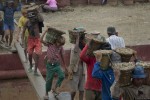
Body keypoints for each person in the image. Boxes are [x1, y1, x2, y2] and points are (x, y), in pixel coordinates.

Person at [40, 28, 68, 100]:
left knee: (62, 76)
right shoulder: (50, 44)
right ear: (56, 41)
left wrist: (65, 65)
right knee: (49, 80)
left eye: (61, 44)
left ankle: (54, 89)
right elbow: (41, 40)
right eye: (59, 43)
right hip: (50, 65)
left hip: (57, 64)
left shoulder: (60, 47)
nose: (59, 45)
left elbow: (62, 56)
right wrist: (46, 31)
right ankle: (46, 93)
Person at [22, 8, 42, 76]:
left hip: (37, 39)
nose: (32, 19)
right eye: (30, 18)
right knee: (30, 54)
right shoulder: (27, 22)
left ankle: (35, 70)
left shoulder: (37, 20)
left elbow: (42, 19)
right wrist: (23, 42)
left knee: (37, 55)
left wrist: (37, 12)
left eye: (33, 18)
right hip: (30, 39)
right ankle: (31, 66)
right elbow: (23, 32)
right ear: (29, 18)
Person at [68, 32, 86, 100]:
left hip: (83, 70)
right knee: (73, 90)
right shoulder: (74, 46)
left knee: (82, 90)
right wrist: (77, 38)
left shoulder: (83, 46)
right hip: (75, 70)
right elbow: (76, 50)